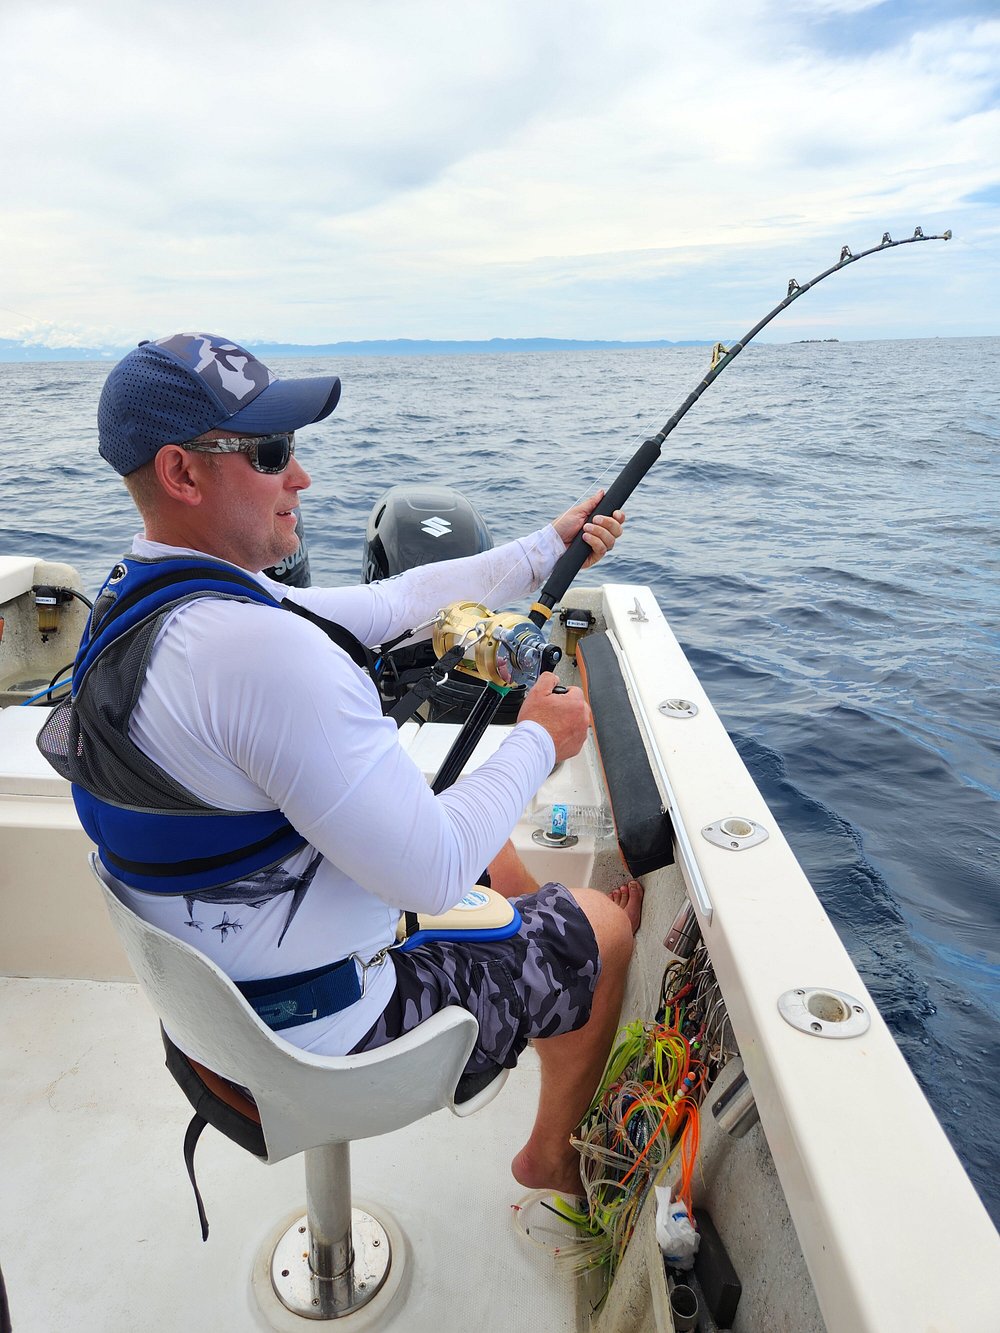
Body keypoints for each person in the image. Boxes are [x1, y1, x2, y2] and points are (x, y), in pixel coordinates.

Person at [54, 332, 642, 1196]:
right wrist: (538, 740)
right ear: (181, 472)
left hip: (212, 1011)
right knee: (607, 927)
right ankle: (546, 1155)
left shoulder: (137, 599)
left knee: (465, 842)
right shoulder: (262, 653)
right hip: (324, 1036)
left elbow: (390, 601)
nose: (302, 477)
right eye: (270, 452)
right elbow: (435, 870)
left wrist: (543, 546)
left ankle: (527, 923)